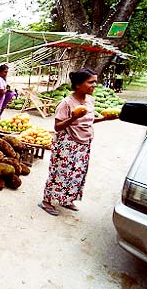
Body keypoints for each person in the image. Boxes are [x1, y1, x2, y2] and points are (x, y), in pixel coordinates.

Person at [39, 68, 119, 216]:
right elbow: (57, 127)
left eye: (95, 81)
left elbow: (87, 122)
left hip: (84, 145)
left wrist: (104, 119)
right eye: (90, 82)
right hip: (67, 144)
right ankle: (46, 201)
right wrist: (73, 117)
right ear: (78, 84)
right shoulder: (66, 103)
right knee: (60, 173)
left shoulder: (90, 100)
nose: (94, 85)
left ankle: (66, 199)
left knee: (76, 174)